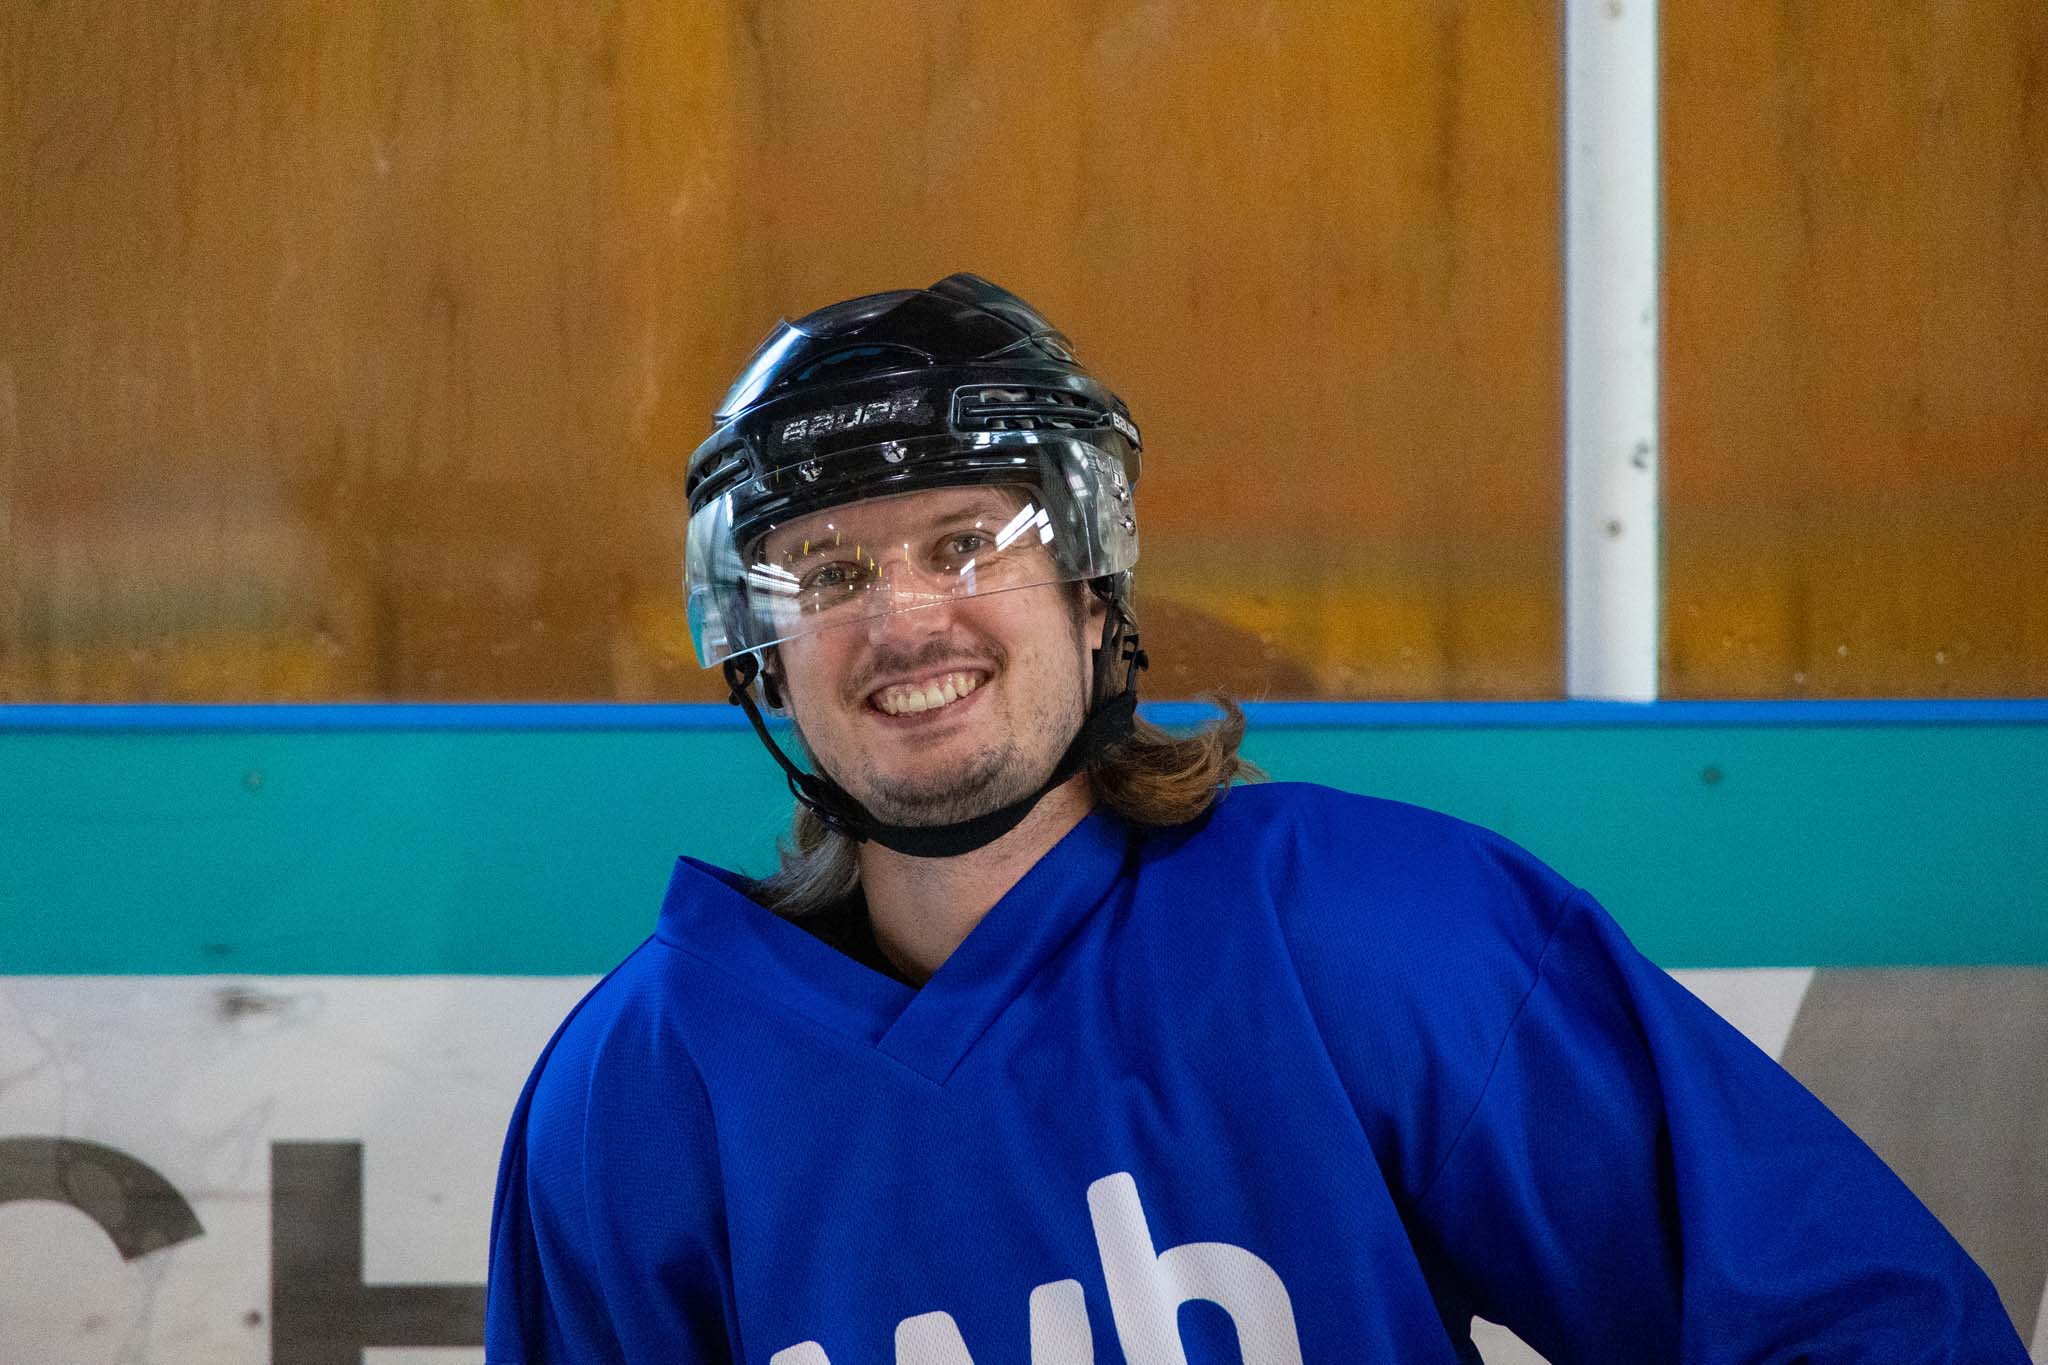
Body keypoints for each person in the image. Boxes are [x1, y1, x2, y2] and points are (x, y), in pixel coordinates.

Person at [486, 273, 2026, 1362]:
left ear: (1093, 590)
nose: (903, 620)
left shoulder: (1367, 935)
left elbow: (1859, 1324)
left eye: (965, 543)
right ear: (762, 653)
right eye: (830, 574)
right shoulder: (638, 1094)